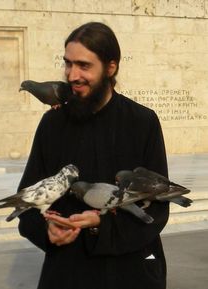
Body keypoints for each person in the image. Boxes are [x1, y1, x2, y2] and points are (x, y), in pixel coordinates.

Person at [18, 22, 169, 289]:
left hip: (131, 273)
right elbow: (28, 200)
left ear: (111, 67)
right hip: (68, 272)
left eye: (84, 65)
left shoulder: (142, 122)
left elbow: (157, 208)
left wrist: (102, 224)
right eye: (68, 63)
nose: (72, 75)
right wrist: (47, 231)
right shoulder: (52, 124)